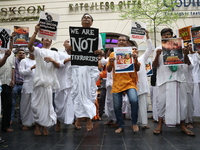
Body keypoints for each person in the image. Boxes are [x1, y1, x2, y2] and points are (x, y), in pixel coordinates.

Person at [152, 28, 195, 136]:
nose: (166, 36)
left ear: (172, 35)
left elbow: (187, 64)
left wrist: (185, 54)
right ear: (161, 37)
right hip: (164, 80)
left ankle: (183, 125)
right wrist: (157, 54)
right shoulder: (158, 49)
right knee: (161, 102)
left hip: (178, 79)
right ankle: (160, 124)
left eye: (168, 34)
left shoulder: (179, 47)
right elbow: (154, 65)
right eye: (164, 35)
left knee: (182, 104)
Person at [71, 13, 103, 131]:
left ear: (92, 22)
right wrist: (67, 47)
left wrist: (100, 53)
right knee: (78, 91)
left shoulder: (97, 35)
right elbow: (71, 51)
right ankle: (79, 117)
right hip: (78, 66)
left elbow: (101, 52)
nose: (86, 18)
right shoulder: (75, 34)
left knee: (90, 92)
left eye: (88, 17)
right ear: (81, 22)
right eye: (84, 17)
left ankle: (89, 118)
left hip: (90, 67)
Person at [28, 23, 60, 135]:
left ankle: (44, 126)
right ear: (42, 41)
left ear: (51, 42)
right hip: (39, 82)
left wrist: (52, 60)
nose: (47, 41)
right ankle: (37, 126)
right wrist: (35, 31)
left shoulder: (54, 53)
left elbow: (59, 65)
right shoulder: (38, 51)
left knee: (47, 106)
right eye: (45, 39)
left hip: (49, 83)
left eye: (49, 40)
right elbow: (29, 47)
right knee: (36, 106)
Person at [107, 36, 140, 133]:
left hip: (130, 83)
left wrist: (136, 60)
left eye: (123, 40)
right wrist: (111, 62)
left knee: (134, 100)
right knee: (117, 106)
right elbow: (109, 70)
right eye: (120, 40)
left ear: (127, 43)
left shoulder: (132, 53)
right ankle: (121, 125)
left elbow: (137, 69)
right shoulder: (113, 54)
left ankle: (134, 123)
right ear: (117, 42)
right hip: (117, 83)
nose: (121, 41)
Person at [134, 30, 153, 129]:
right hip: (131, 86)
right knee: (133, 105)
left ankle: (144, 123)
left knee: (143, 104)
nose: (134, 51)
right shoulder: (126, 60)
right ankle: (135, 122)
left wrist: (147, 37)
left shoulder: (142, 58)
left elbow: (150, 49)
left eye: (135, 49)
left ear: (137, 51)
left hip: (142, 85)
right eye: (132, 49)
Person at [54, 40, 74, 131]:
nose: (69, 45)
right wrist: (68, 60)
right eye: (68, 43)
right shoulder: (60, 54)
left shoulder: (76, 55)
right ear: (65, 45)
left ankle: (74, 122)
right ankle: (58, 123)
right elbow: (57, 65)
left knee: (71, 104)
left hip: (72, 83)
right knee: (59, 104)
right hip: (61, 82)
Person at [0, 33, 15, 133]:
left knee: (8, 105)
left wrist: (13, 79)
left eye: (11, 41)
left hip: (7, 83)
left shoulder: (12, 54)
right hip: (0, 82)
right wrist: (5, 56)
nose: (9, 43)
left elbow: (13, 68)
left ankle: (5, 126)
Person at [19, 51, 36, 130]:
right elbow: (21, 72)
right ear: (29, 52)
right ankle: (25, 123)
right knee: (25, 104)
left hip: (37, 86)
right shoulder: (24, 61)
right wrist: (31, 68)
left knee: (35, 105)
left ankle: (35, 122)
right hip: (27, 85)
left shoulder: (38, 61)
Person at [11, 49, 25, 124]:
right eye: (20, 53)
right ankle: (11, 119)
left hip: (23, 85)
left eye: (23, 53)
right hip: (15, 85)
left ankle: (21, 119)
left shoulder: (25, 62)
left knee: (22, 104)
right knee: (12, 103)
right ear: (17, 55)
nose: (22, 54)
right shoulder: (14, 60)